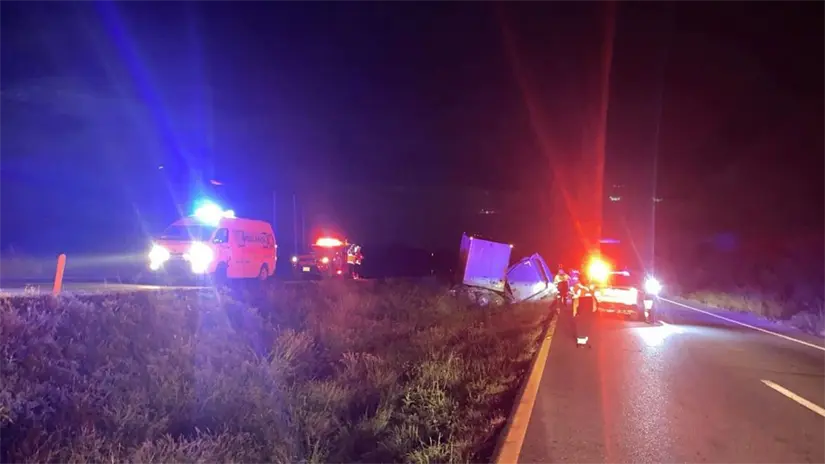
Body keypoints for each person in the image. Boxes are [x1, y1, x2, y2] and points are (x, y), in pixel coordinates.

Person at [572, 274, 598, 347]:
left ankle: (582, 341)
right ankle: (582, 341)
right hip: (584, 305)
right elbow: (576, 299)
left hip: (584, 305)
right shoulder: (579, 287)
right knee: (583, 323)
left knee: (583, 323)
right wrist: (594, 305)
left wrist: (574, 310)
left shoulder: (581, 287)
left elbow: (592, 297)